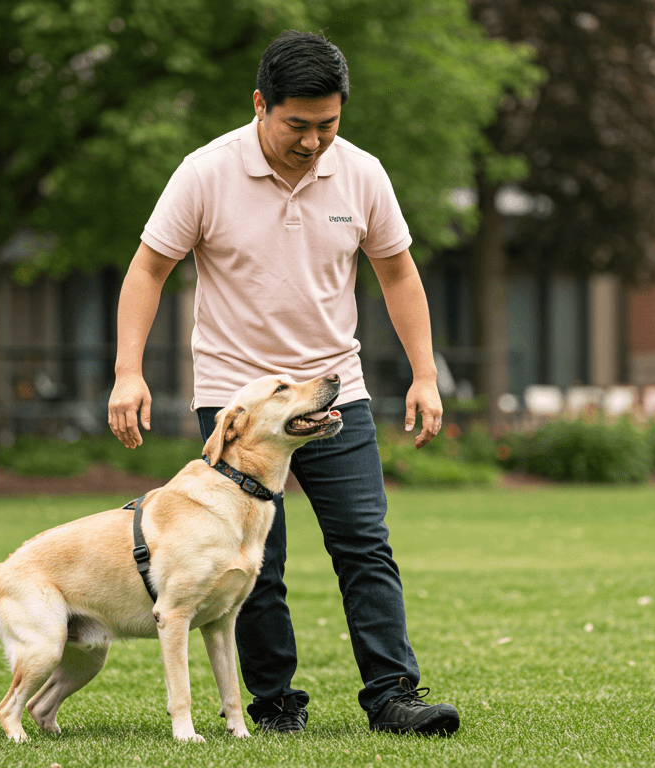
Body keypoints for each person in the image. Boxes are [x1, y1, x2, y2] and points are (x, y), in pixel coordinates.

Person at [107, 30, 459, 737]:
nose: (313, 141)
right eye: (297, 124)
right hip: (238, 396)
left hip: (334, 394)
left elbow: (397, 272)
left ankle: (393, 696)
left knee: (364, 543)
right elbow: (149, 268)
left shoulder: (361, 174)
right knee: (253, 563)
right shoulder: (206, 173)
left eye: (328, 124)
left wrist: (424, 372)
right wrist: (127, 370)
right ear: (261, 104)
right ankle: (274, 706)